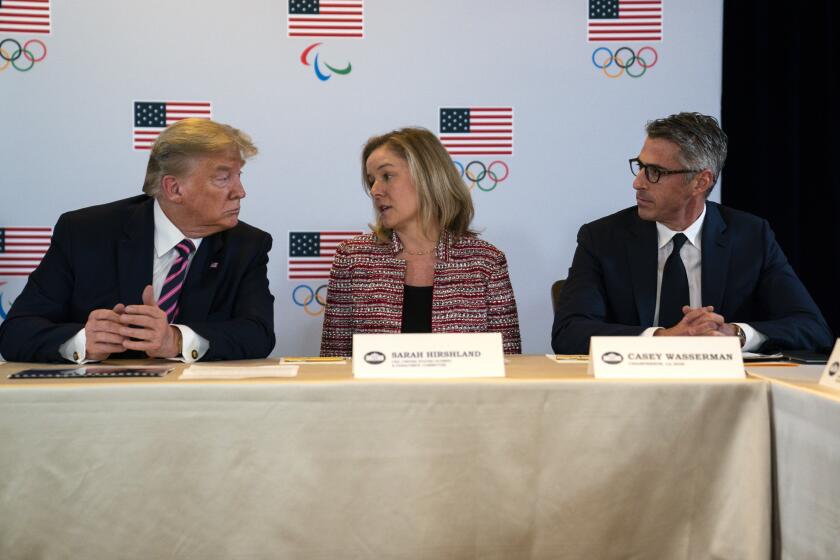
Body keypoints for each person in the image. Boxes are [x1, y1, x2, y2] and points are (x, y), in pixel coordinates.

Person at [552, 112, 833, 355]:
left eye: (655, 172)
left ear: (701, 181)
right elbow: (569, 332)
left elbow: (812, 328)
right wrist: (664, 338)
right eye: (640, 167)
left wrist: (735, 334)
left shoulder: (750, 236)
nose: (638, 183)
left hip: (726, 397)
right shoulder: (602, 238)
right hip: (629, 394)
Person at [0, 118, 275, 363]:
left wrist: (176, 340)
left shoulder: (248, 245)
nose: (240, 191)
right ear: (174, 188)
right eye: (223, 178)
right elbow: (15, 333)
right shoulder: (85, 233)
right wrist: (82, 341)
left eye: (239, 176)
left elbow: (258, 334)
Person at [320, 127, 521, 356]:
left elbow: (509, 365)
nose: (375, 190)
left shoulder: (485, 262)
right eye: (371, 181)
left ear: (427, 176)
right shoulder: (352, 258)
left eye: (387, 176)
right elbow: (333, 364)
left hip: (463, 393)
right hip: (379, 394)